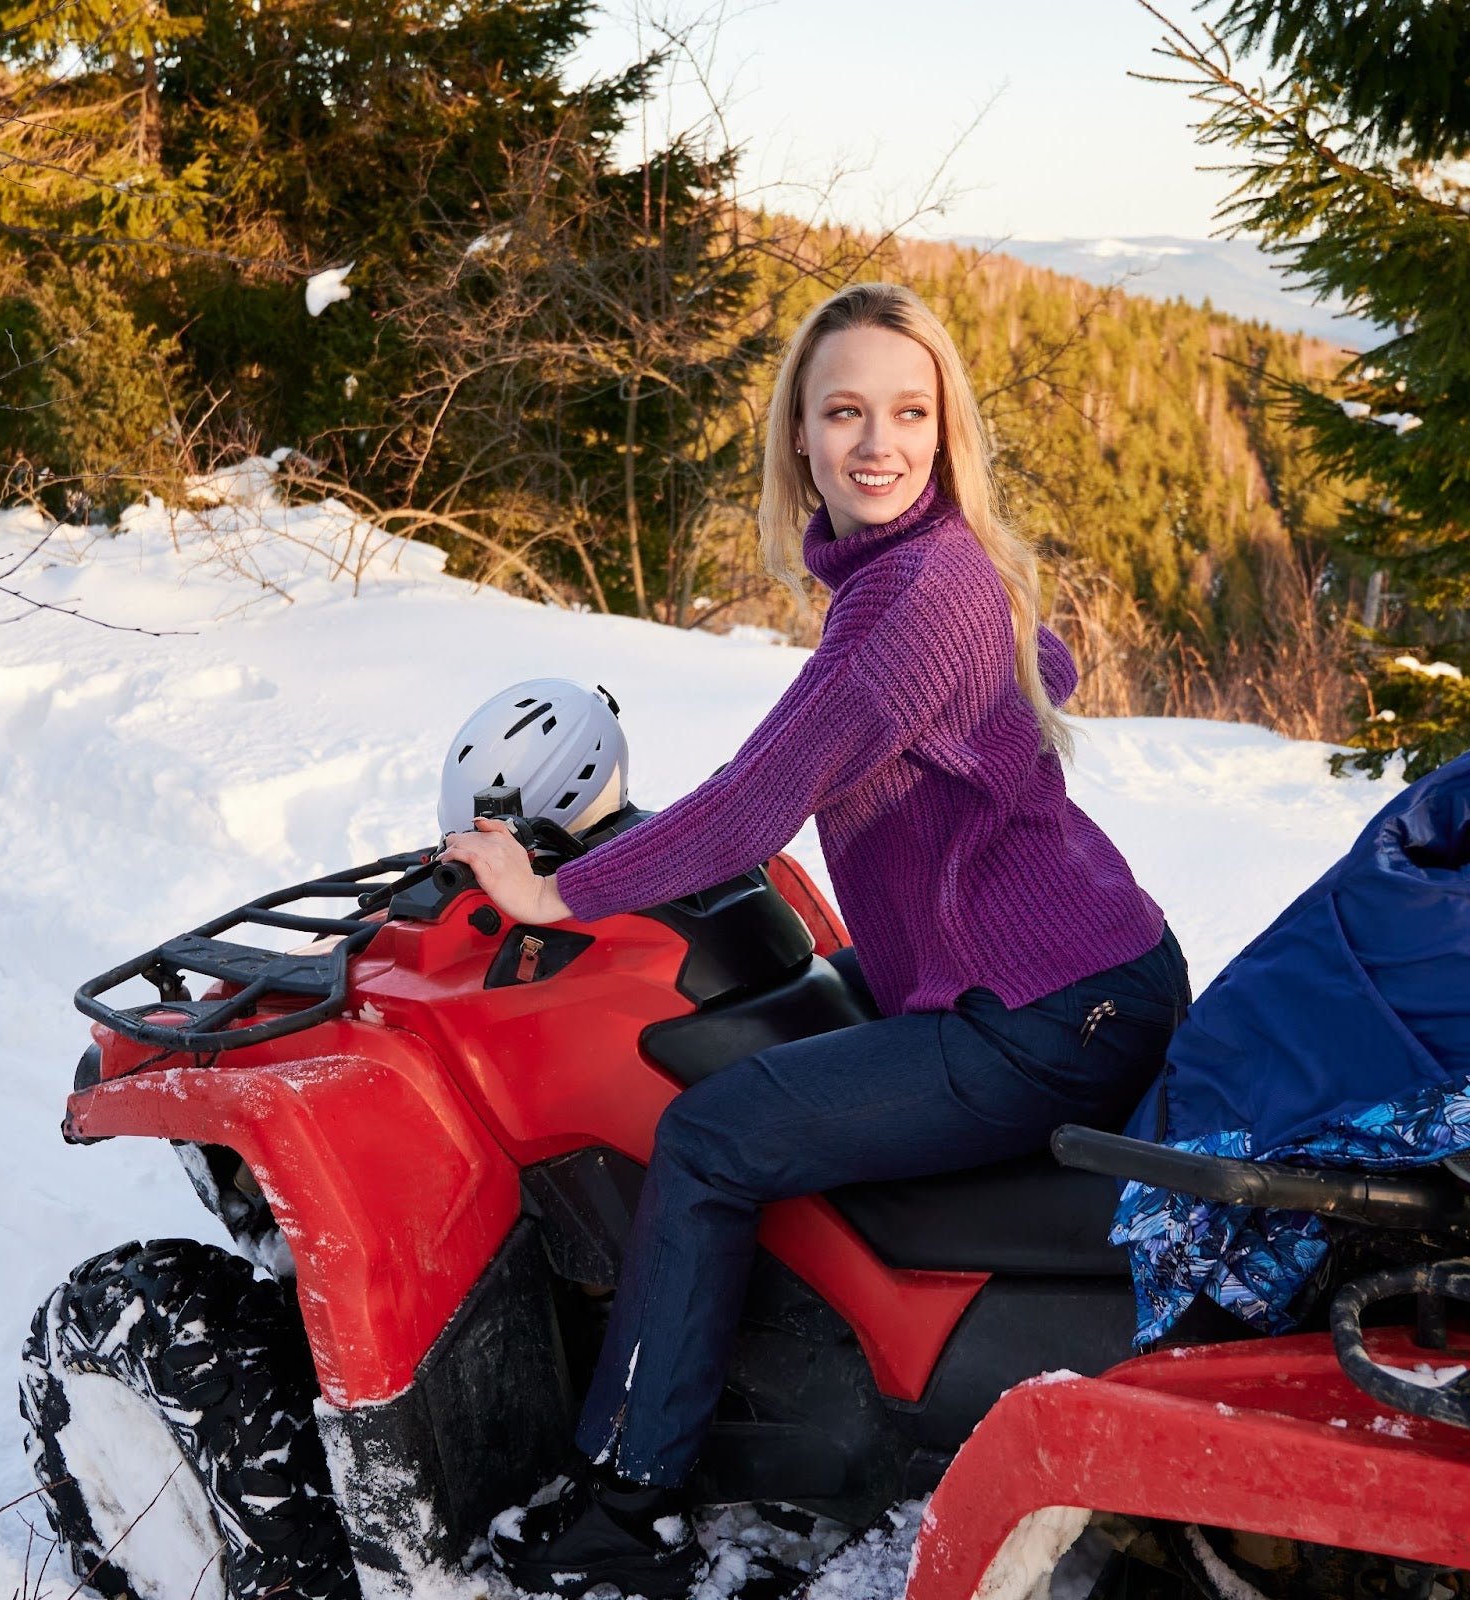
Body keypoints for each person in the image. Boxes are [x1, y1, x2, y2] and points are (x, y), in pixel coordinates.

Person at [441, 281, 1191, 1599]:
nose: (878, 443)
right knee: (799, 1005)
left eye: (910, 412)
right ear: (798, 432)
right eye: (845, 411)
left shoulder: (910, 603)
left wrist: (558, 893)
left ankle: (630, 1500)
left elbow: (750, 803)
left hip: (1037, 1014)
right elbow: (1046, 671)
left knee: (714, 1135)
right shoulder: (943, 567)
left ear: (945, 427)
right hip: (1068, 970)